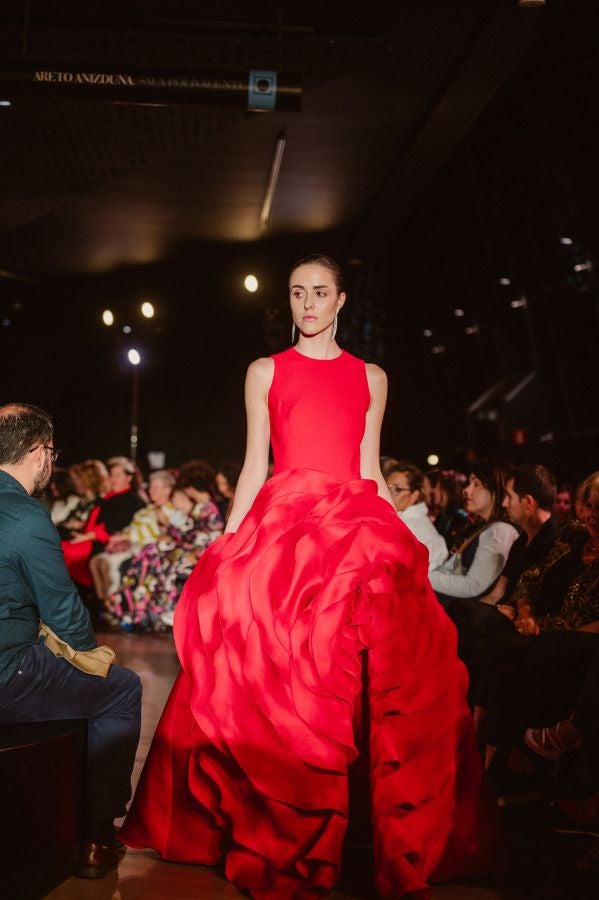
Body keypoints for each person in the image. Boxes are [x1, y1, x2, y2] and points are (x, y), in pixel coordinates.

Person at [121, 254, 499, 899]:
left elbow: (372, 467)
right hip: (287, 521)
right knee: (261, 646)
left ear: (342, 300)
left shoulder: (370, 377)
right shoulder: (265, 371)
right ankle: (273, 818)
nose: (308, 303)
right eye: (298, 293)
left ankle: (378, 828)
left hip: (354, 518)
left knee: (389, 651)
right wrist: (232, 541)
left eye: (320, 292)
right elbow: (253, 466)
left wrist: (400, 543)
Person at [0, 403, 142, 879]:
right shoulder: (26, 513)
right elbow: (64, 614)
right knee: (121, 688)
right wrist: (92, 654)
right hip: (5, 675)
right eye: (52, 452)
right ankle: (98, 838)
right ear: (39, 452)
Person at [429, 460, 518, 607]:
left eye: (476, 485)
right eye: (469, 484)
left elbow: (473, 585)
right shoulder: (482, 527)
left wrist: (423, 576)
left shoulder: (500, 530)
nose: (467, 490)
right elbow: (451, 570)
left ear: (496, 490)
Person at [386, 460, 448, 571]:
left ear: (414, 495)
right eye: (387, 487)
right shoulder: (401, 518)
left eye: (397, 489)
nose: (389, 494)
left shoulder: (412, 526)